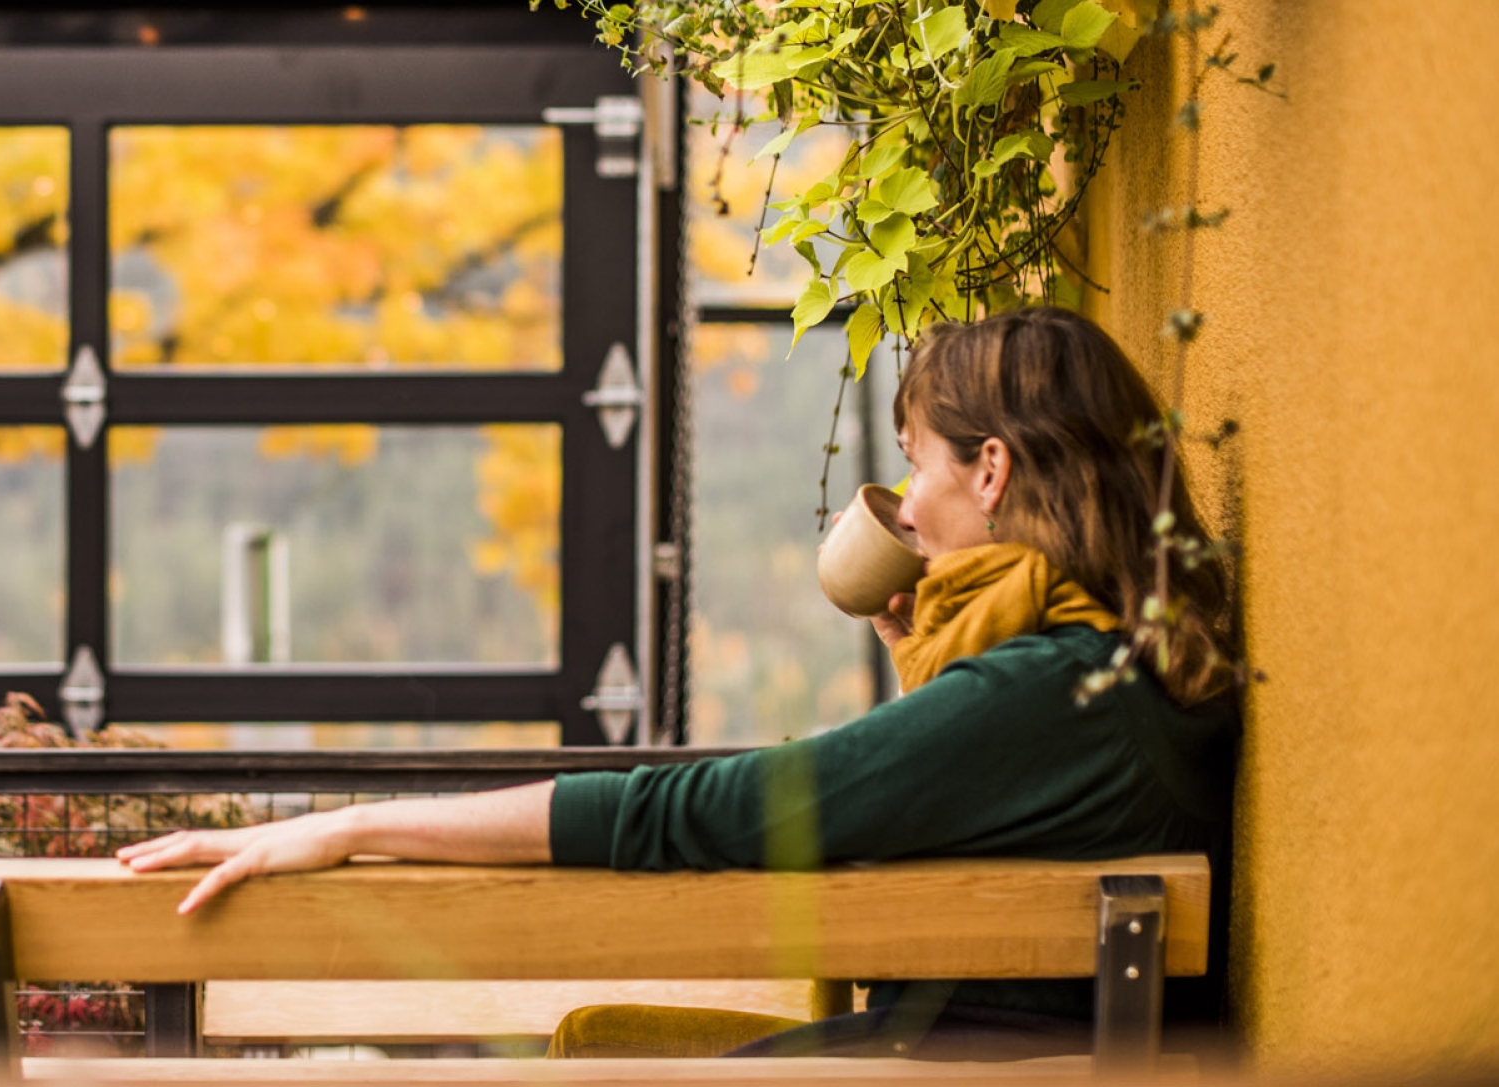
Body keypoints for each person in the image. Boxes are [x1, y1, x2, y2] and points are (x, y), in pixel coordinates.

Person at [116, 307, 1241, 1060]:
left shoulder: (1048, 691)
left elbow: (715, 811)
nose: (906, 501)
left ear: (989, 469)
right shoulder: (1120, 673)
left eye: (918, 462)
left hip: (970, 1058)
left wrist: (356, 825)